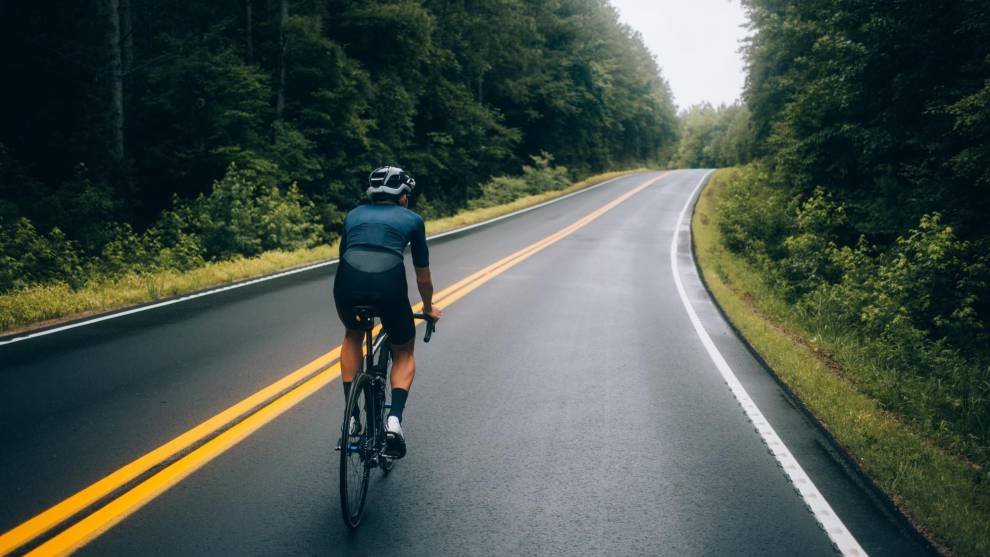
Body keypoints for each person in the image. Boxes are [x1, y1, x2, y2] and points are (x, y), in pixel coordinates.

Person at [333, 166, 441, 458]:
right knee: (404, 349)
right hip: (389, 285)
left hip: (347, 282)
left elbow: (345, 255)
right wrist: (429, 308)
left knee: (352, 334)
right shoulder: (413, 220)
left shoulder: (353, 216)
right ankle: (393, 420)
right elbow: (423, 277)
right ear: (403, 197)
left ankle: (352, 416)